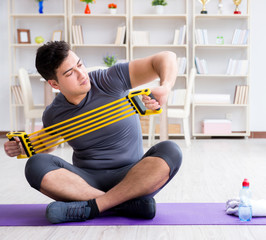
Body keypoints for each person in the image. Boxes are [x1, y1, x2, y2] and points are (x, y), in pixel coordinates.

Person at [4, 41, 182, 224]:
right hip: (85, 182)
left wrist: (166, 87)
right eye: (69, 73)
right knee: (35, 165)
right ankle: (124, 205)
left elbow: (166, 57)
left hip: (133, 177)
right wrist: (21, 148)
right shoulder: (54, 114)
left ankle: (94, 207)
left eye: (80, 64)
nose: (82, 74)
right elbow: (46, 146)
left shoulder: (109, 79)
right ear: (54, 84)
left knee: (171, 150)